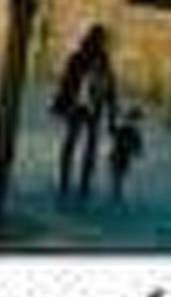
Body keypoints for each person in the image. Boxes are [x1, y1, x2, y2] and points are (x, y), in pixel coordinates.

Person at [52, 25, 117, 198]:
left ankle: (77, 184)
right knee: (78, 145)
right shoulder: (82, 59)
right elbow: (67, 83)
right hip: (81, 107)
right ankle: (72, 183)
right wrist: (111, 117)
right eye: (103, 40)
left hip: (89, 108)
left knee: (80, 145)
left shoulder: (100, 61)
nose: (104, 44)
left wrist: (111, 117)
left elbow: (110, 89)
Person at [108, 107, 145, 201]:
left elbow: (112, 132)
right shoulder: (133, 132)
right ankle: (117, 196)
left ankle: (116, 196)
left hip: (117, 156)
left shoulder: (127, 129)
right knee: (119, 179)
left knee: (117, 179)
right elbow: (138, 150)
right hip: (120, 157)